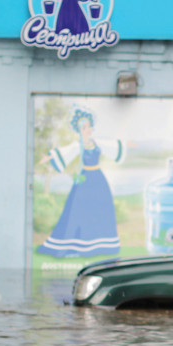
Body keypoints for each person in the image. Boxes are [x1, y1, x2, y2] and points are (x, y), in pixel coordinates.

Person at [37, 107, 126, 257]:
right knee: (78, 211)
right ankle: (76, 245)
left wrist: (129, 144)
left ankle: (102, 245)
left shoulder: (96, 143)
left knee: (101, 209)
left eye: (89, 126)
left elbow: (112, 147)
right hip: (85, 179)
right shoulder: (78, 145)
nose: (89, 130)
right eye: (85, 127)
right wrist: (48, 157)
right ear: (80, 130)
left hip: (98, 179)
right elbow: (64, 153)